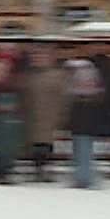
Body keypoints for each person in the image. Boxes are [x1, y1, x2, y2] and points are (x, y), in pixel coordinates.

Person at [20, 48, 66, 183]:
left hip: (49, 113)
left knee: (45, 142)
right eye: (35, 56)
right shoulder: (28, 76)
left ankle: (44, 168)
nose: (38, 59)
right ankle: (37, 168)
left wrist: (61, 113)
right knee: (34, 142)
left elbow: (63, 96)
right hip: (32, 114)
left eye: (42, 56)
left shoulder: (57, 75)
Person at [66, 58, 109, 190]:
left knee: (84, 151)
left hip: (85, 127)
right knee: (80, 151)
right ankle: (83, 176)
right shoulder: (82, 98)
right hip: (80, 127)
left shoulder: (88, 99)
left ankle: (84, 178)